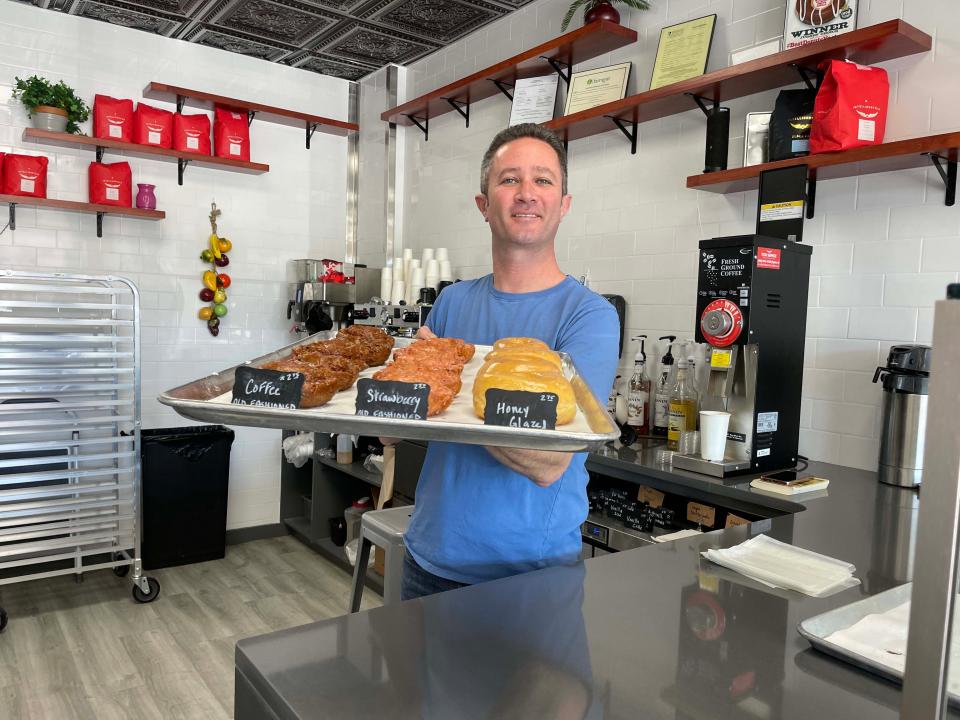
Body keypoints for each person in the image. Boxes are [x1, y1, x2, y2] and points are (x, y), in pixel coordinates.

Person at [400, 123, 620, 599]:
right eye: (508, 180)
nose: (526, 194)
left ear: (563, 204)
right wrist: (405, 379)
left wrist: (450, 386)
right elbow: (391, 431)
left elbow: (548, 461)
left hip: (530, 575)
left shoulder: (589, 317)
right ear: (483, 205)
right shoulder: (451, 303)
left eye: (543, 180)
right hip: (427, 558)